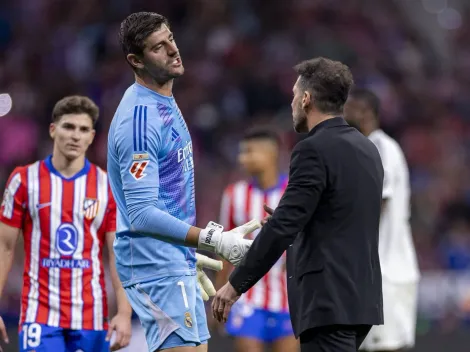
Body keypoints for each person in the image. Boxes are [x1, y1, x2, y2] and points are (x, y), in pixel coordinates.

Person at [107, 12, 260, 352]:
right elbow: (142, 213)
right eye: (158, 48)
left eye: (171, 39)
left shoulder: (164, 99)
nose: (173, 50)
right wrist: (209, 240)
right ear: (136, 60)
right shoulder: (140, 120)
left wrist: (189, 249)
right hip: (155, 267)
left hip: (173, 261)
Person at [212, 57, 385, 352]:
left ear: (306, 99)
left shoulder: (312, 149)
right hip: (361, 299)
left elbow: (283, 227)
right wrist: (295, 220)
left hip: (327, 300)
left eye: (294, 95)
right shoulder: (367, 149)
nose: (292, 103)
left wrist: (234, 284)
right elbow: (340, 214)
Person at [0, 95, 132, 352]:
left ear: (92, 136)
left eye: (83, 130)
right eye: (68, 127)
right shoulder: (24, 180)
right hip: (39, 314)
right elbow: (4, 248)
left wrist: (125, 312)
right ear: (53, 130)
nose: (75, 136)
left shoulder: (107, 186)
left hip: (91, 316)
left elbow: (119, 254)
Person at [344, 88, 420, 352]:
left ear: (365, 113)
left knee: (382, 347)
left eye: (348, 109)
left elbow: (378, 202)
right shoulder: (369, 146)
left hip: (386, 269)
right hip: (377, 270)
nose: (342, 115)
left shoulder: (380, 147)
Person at [215, 128, 298, 352]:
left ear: (270, 154)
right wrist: (219, 297)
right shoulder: (234, 194)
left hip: (288, 298)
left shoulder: (293, 193)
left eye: (249, 152)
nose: (242, 159)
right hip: (247, 297)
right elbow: (225, 249)